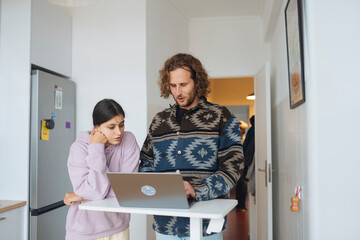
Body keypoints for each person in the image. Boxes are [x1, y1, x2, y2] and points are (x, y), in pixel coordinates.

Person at [139, 53, 244, 239]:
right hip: (166, 225)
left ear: (197, 82)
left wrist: (198, 190)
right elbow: (145, 163)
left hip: (206, 225)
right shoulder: (159, 121)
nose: (178, 92)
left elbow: (233, 167)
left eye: (183, 85)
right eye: (173, 86)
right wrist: (157, 188)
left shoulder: (221, 116)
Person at [64, 99, 140, 240]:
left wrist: (83, 195)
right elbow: (94, 191)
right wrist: (96, 148)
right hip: (83, 230)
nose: (119, 132)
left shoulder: (128, 140)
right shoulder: (79, 148)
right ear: (96, 128)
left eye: (121, 125)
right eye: (111, 127)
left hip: (118, 228)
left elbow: (127, 189)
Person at [235, 120, 249, 211]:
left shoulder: (244, 138)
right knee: (240, 185)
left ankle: (241, 205)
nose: (242, 131)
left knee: (242, 185)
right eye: (241, 129)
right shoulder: (235, 139)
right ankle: (240, 205)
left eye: (243, 129)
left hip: (244, 165)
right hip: (237, 165)